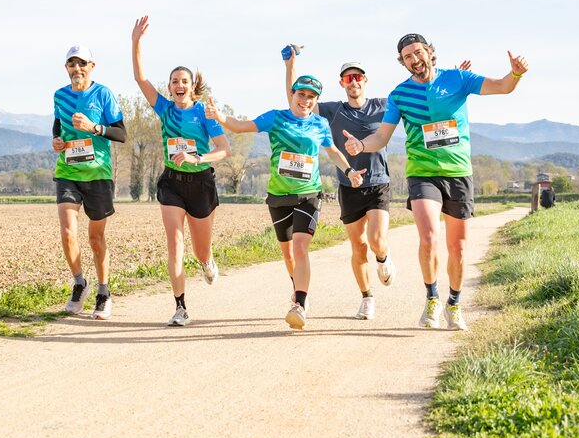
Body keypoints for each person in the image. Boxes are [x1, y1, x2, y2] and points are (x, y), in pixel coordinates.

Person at [344, 33, 529, 330]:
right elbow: (382, 136)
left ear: (430, 52)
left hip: (458, 173)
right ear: (402, 63)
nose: (414, 59)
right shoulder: (400, 94)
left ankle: (454, 304)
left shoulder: (458, 79)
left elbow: (502, 87)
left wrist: (516, 72)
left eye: (418, 52)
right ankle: (432, 297)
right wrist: (361, 146)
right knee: (429, 238)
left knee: (459, 247)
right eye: (407, 57)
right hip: (423, 173)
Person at [206, 70, 365, 330]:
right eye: (301, 94)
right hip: (279, 196)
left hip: (309, 195)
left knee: (301, 247)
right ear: (292, 94)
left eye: (312, 96)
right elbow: (240, 127)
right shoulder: (276, 118)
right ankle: (299, 290)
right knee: (289, 254)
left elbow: (333, 152)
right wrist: (220, 117)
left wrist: (349, 171)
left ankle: (299, 304)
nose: (306, 100)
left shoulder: (320, 124)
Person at [131, 15, 231, 327]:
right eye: (174, 81)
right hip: (172, 183)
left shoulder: (204, 112)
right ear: (170, 87)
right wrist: (136, 41)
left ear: (191, 86)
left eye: (183, 81)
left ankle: (207, 259)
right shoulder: (165, 108)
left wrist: (199, 158)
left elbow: (224, 149)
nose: (178, 85)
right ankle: (180, 307)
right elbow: (140, 79)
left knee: (201, 250)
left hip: (201, 183)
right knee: (175, 243)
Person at [285, 49, 395, 321]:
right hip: (348, 186)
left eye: (357, 77)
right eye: (348, 79)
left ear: (365, 80)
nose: (353, 82)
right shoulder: (333, 111)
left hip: (378, 182)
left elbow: (415, 98)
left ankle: (383, 258)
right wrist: (291, 65)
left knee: (377, 241)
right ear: (342, 84)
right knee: (358, 248)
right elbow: (296, 99)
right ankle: (367, 297)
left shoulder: (382, 105)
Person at [51, 45, 127, 320]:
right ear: (66, 69)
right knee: (68, 232)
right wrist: (57, 141)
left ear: (92, 66)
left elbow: (121, 134)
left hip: (98, 174)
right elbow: (58, 125)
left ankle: (104, 293)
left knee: (96, 238)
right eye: (72, 64)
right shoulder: (60, 95)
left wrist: (94, 128)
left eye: (82, 64)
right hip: (68, 172)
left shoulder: (103, 94)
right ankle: (80, 283)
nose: (77, 69)